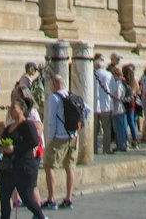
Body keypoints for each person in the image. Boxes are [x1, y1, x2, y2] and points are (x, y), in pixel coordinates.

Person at [42, 72, 86, 211]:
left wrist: (49, 139)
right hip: (73, 136)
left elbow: (51, 121)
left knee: (49, 166)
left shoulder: (54, 98)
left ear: (54, 84)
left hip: (59, 137)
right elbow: (87, 110)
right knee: (70, 166)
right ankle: (68, 199)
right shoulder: (72, 96)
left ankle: (51, 199)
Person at [0, 99, 45, 219]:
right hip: (8, 167)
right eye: (10, 107)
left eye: (14, 107)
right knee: (4, 197)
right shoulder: (8, 128)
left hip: (23, 167)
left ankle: (40, 216)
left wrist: (15, 149)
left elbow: (33, 141)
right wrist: (1, 148)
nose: (11, 110)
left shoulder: (27, 125)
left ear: (22, 110)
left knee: (27, 197)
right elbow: (0, 143)